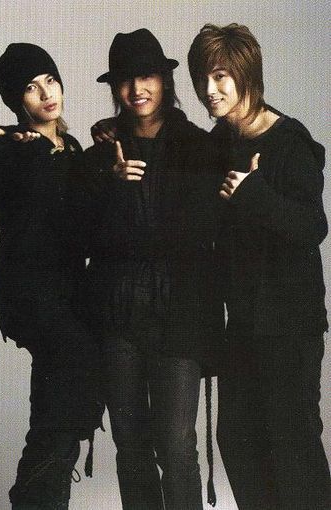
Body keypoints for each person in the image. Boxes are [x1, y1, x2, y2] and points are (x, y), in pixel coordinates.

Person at [188, 23, 330, 510]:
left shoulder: (289, 140)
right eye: (203, 78)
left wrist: (255, 195)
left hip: (290, 325)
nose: (209, 90)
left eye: (221, 76)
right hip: (244, 325)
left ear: (247, 75)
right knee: (238, 441)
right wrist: (108, 132)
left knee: (293, 447)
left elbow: (313, 226)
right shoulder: (219, 142)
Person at [82, 29, 225, 509]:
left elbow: (204, 234)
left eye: (146, 76)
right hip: (117, 316)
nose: (136, 89)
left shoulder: (200, 147)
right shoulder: (100, 155)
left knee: (177, 447)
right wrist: (110, 186)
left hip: (180, 315)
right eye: (124, 80)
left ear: (165, 80)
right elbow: (83, 237)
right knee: (130, 446)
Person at [0, 43, 103, 509]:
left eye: (50, 81)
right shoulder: (6, 150)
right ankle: (31, 499)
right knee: (65, 397)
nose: (47, 94)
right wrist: (32, 153)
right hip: (30, 293)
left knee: (60, 406)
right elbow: (0, 193)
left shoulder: (72, 148)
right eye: (31, 88)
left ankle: (38, 500)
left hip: (68, 292)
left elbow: (82, 224)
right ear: (17, 101)